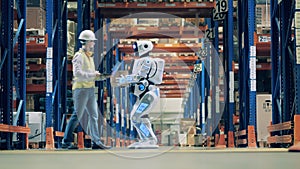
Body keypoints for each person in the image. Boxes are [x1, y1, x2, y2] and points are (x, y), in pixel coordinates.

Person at [62, 30, 111, 149]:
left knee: (94, 115)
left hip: (89, 90)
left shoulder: (89, 57)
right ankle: (66, 142)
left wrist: (101, 76)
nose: (93, 44)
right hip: (81, 90)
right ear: (87, 42)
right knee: (77, 115)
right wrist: (93, 74)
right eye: (92, 42)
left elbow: (90, 75)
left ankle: (96, 141)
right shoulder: (79, 56)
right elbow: (77, 73)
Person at [116, 40, 165, 149]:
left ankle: (150, 139)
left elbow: (139, 77)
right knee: (140, 117)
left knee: (136, 117)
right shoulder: (141, 61)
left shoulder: (147, 62)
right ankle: (145, 139)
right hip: (144, 94)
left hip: (149, 94)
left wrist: (125, 79)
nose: (135, 50)